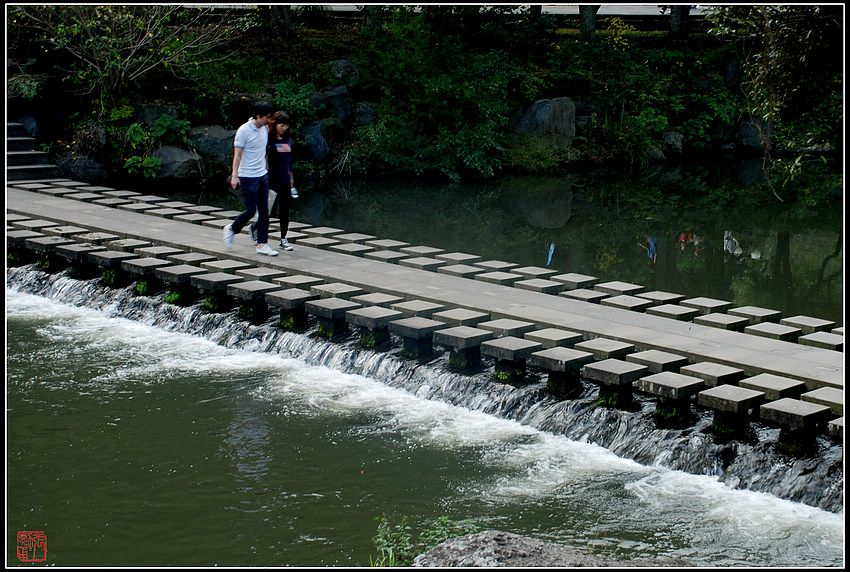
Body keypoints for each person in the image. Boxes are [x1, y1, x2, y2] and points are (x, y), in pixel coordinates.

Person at [223, 101, 278, 256]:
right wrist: (235, 176)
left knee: (264, 211)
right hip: (247, 176)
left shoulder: (264, 128)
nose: (269, 120)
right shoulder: (243, 131)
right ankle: (232, 229)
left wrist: (266, 166)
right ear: (258, 116)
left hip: (262, 175)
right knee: (250, 210)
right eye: (266, 117)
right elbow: (237, 154)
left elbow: (263, 149)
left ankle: (262, 244)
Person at [265, 110, 297, 251]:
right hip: (272, 180)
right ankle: (257, 229)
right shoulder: (269, 140)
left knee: (285, 211)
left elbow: (289, 161)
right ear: (275, 124)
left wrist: (291, 179)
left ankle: (283, 238)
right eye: (281, 125)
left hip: (285, 179)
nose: (284, 128)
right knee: (269, 211)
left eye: (286, 125)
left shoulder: (287, 140)